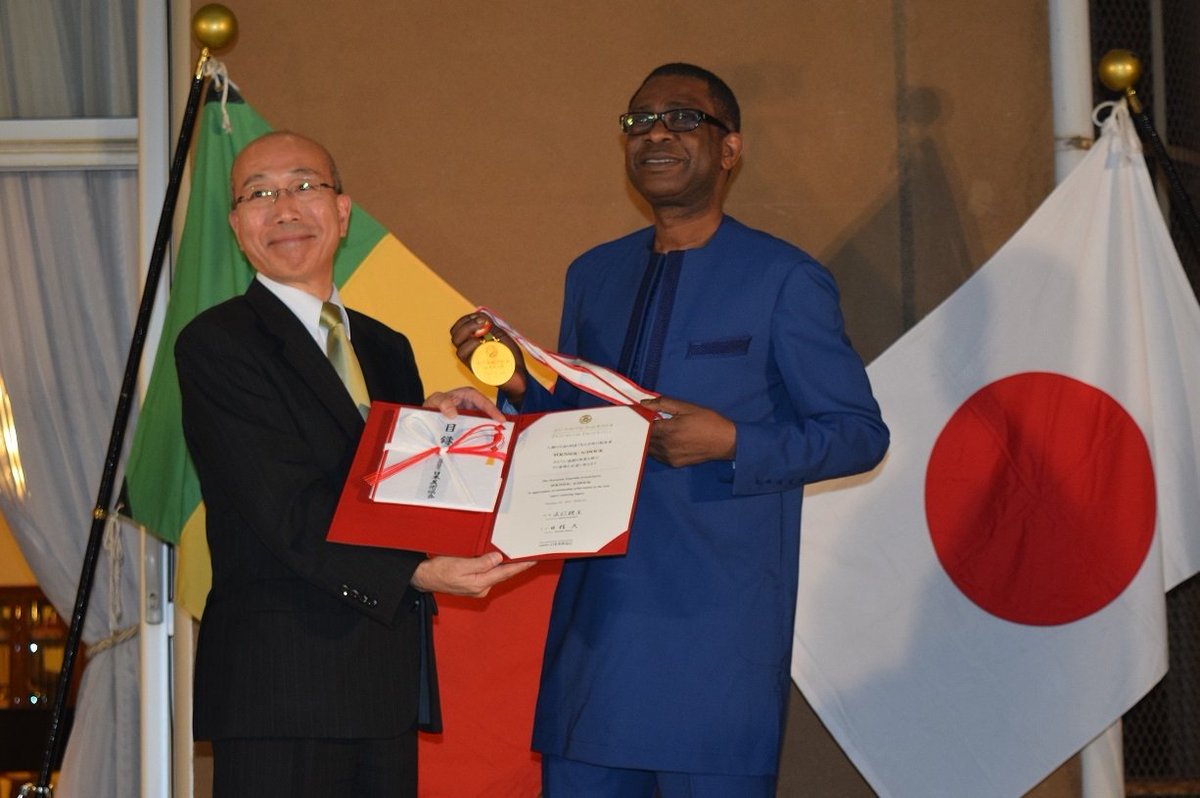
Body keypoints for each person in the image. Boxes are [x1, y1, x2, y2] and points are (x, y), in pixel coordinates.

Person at [450, 63, 889, 796]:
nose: (656, 132)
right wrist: (517, 387)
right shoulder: (593, 275)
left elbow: (857, 434)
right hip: (594, 633)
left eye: (683, 118)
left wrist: (736, 443)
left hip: (714, 643)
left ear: (730, 149)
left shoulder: (784, 278)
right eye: (639, 120)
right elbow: (583, 430)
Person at [178, 130, 534, 798]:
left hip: (384, 681)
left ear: (343, 212)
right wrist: (421, 572)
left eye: (304, 185)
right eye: (259, 193)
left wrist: (436, 432)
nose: (284, 207)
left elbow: (377, 486)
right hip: (282, 688)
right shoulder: (218, 344)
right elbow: (283, 505)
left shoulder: (383, 346)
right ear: (236, 225)